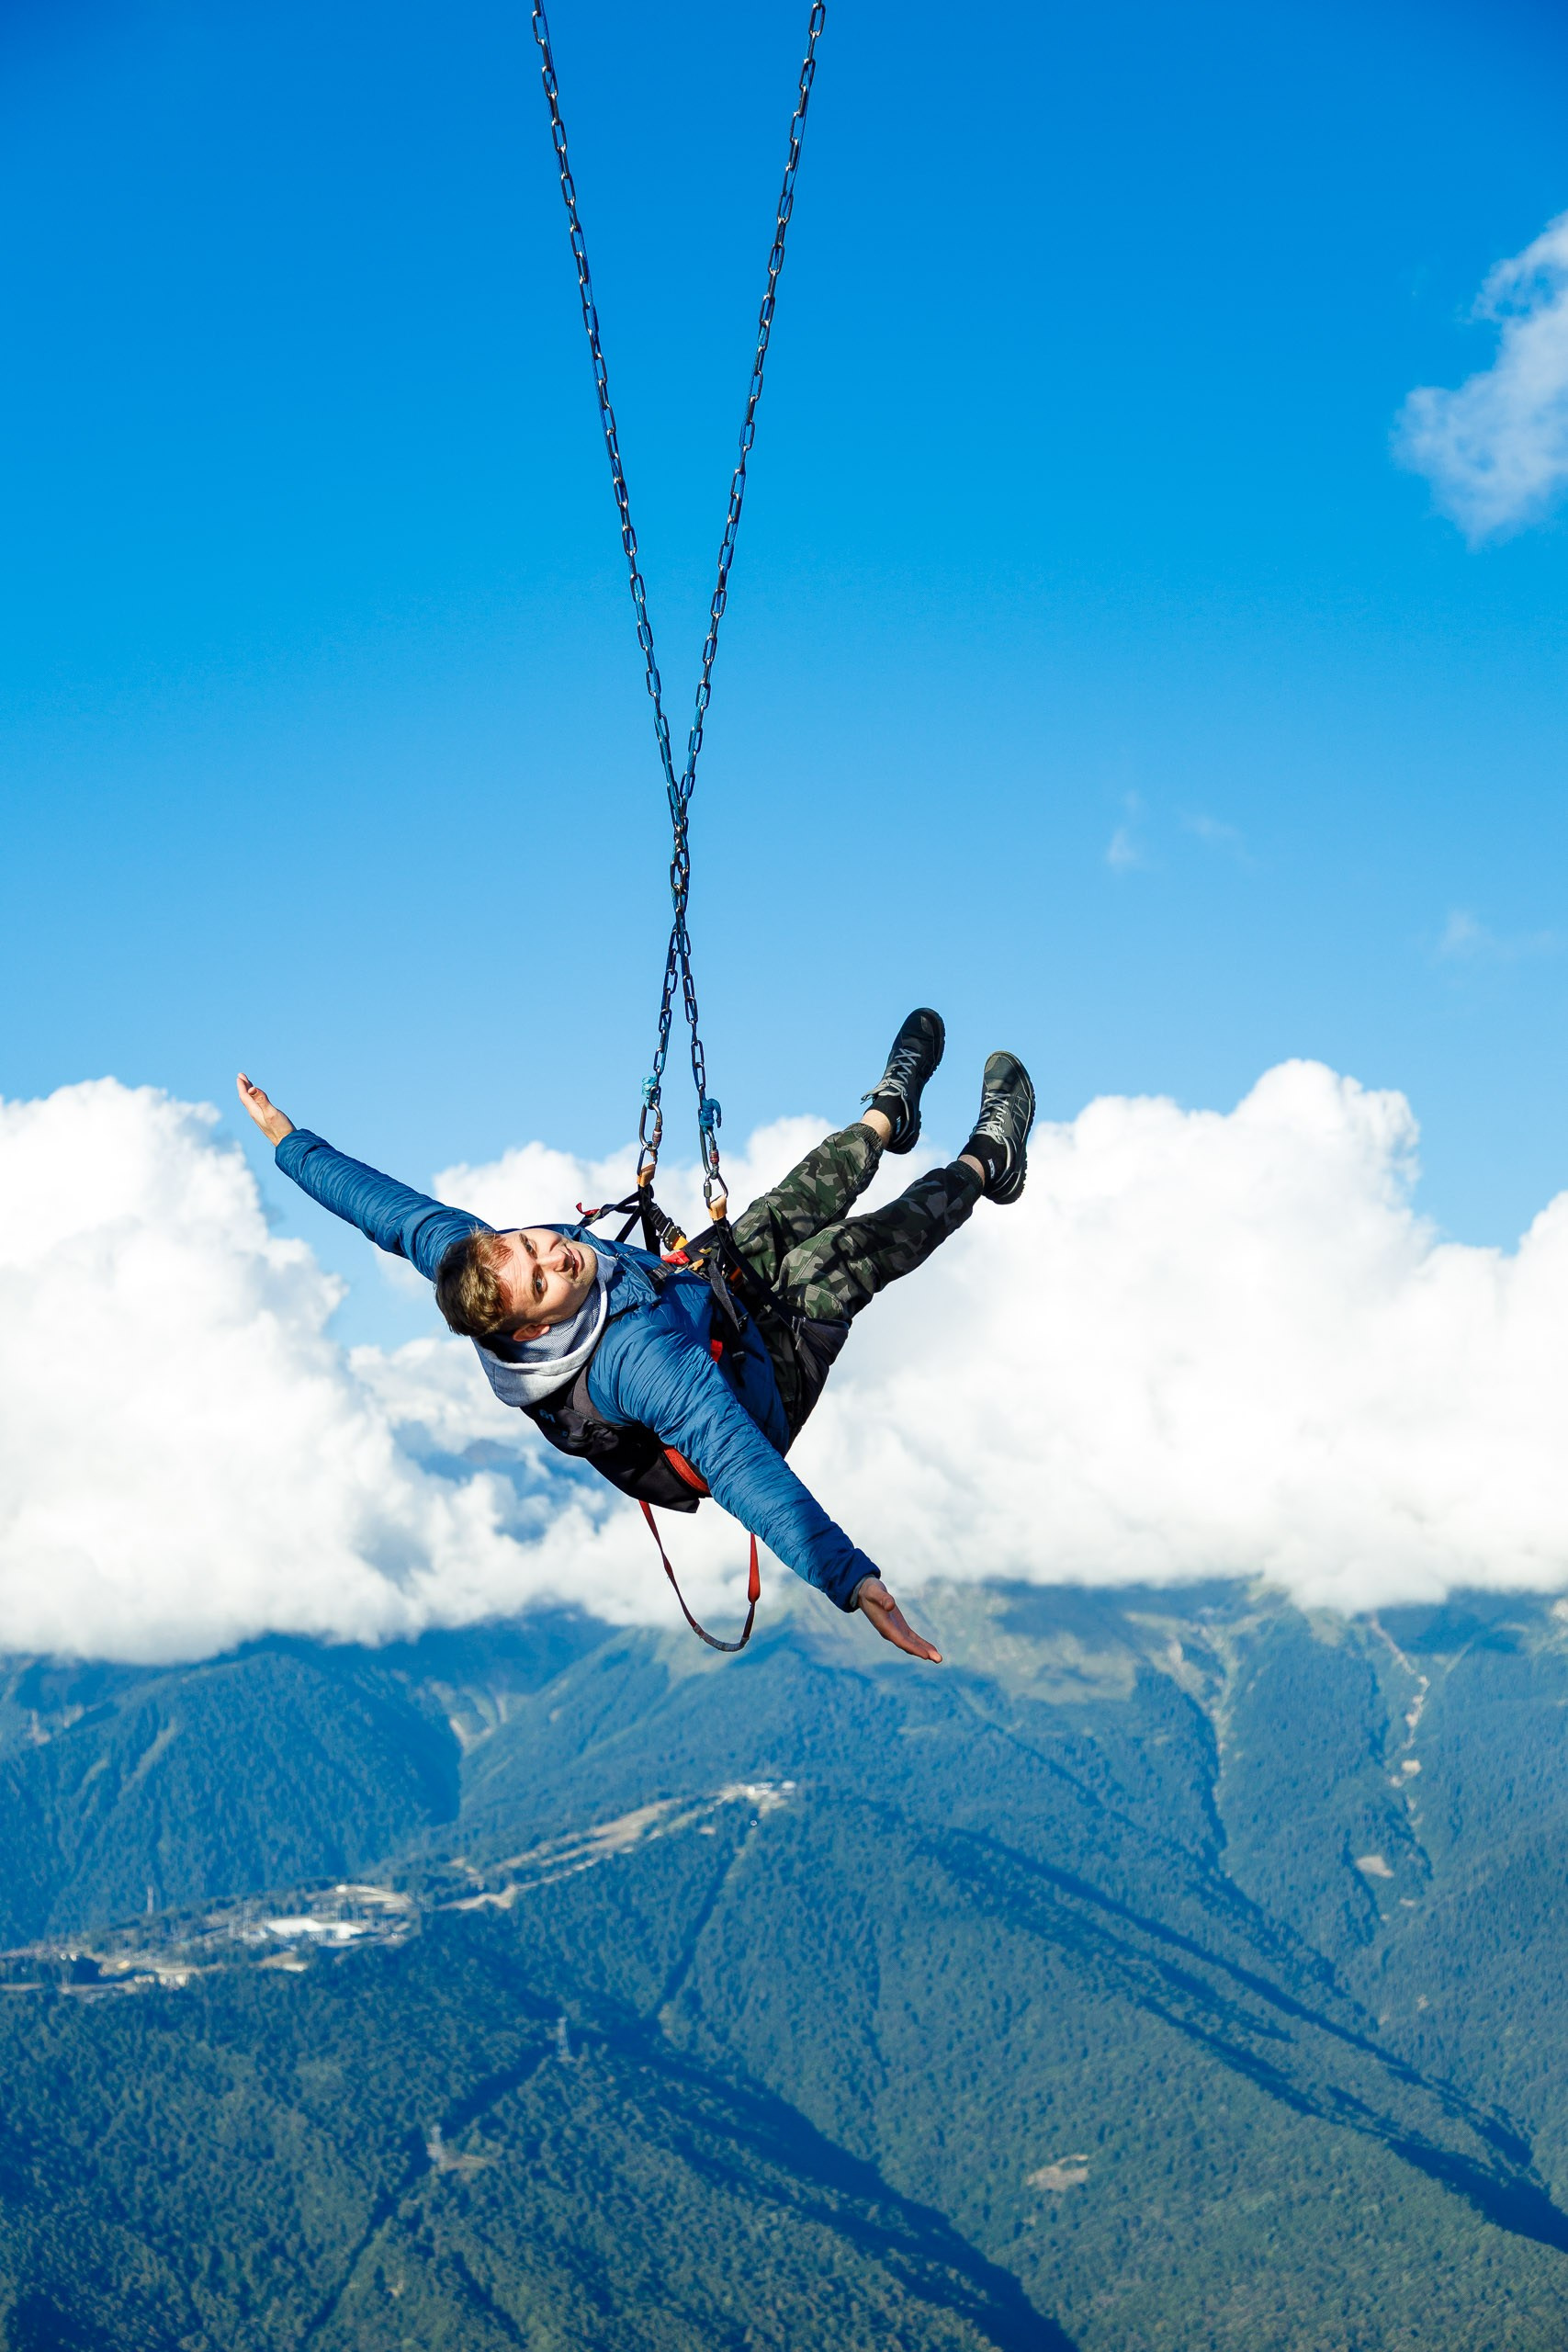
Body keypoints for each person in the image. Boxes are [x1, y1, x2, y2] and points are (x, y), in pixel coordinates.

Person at [236, 1012, 1034, 1665]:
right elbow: (738, 1465)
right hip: (760, 1387)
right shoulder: (634, 1363)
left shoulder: (481, 1264)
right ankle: (984, 1162)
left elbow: (384, 1211)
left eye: (528, 1244)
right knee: (846, 1254)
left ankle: (887, 1116)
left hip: (703, 1302)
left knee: (788, 1203)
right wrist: (850, 1578)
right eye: (544, 1279)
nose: (554, 1253)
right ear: (539, 1324)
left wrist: (287, 1139)